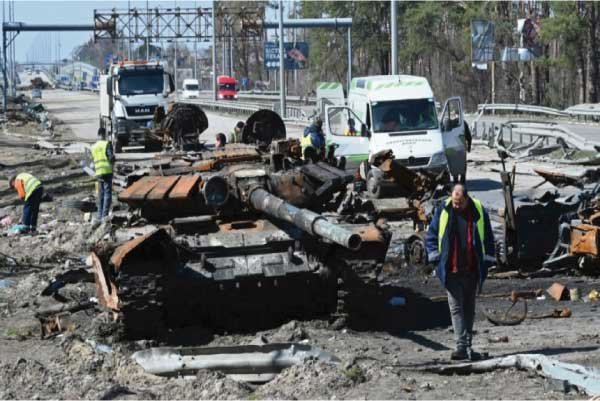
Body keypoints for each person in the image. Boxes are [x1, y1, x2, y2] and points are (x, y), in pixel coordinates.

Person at [425, 183, 495, 361]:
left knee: (469, 308)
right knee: (456, 308)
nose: (456, 205)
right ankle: (461, 346)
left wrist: (488, 260)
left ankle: (468, 346)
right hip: (451, 268)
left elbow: (488, 237)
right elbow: (432, 236)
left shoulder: (478, 210)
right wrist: (435, 258)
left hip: (471, 268)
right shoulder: (444, 210)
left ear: (467, 199)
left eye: (459, 203)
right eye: (454, 202)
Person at [91, 127, 115, 221]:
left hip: (98, 173)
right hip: (107, 172)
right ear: (104, 134)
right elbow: (111, 158)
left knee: (100, 194)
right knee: (107, 194)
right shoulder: (107, 144)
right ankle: (105, 215)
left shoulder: (94, 147)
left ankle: (99, 215)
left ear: (98, 135)